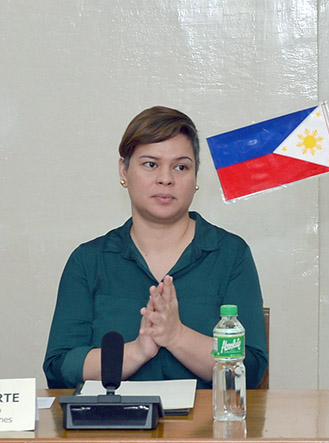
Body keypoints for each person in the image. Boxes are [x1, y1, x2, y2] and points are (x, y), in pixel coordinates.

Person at [43, 106, 268, 389]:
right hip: (112, 428)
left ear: (196, 177)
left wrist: (176, 336)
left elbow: (250, 369)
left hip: (207, 430)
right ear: (124, 170)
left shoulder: (230, 254)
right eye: (150, 164)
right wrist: (137, 351)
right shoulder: (88, 261)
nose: (166, 178)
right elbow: (60, 367)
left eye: (181, 167)